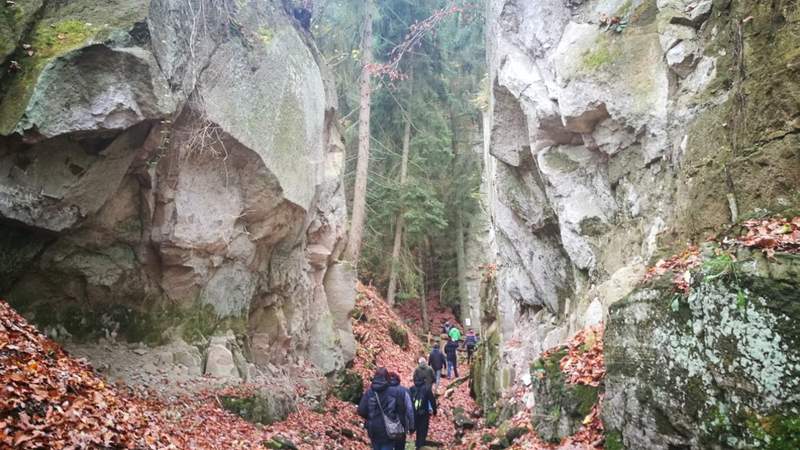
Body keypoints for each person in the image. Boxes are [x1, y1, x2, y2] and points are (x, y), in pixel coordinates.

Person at [358, 368, 407, 450]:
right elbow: (401, 411)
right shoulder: (394, 392)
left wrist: (370, 417)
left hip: (373, 428)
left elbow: (361, 410)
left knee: (375, 446)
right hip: (389, 428)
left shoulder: (369, 392)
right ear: (387, 378)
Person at [387, 372, 414, 450]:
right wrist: (411, 426)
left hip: (386, 423)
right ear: (398, 380)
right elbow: (410, 409)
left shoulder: (383, 390)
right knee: (400, 447)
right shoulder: (404, 391)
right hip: (401, 424)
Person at [409, 375, 437, 449]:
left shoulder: (411, 388)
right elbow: (432, 400)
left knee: (417, 428)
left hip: (414, 414)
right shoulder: (427, 389)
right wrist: (434, 411)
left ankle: (417, 444)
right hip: (424, 414)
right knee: (422, 431)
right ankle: (420, 445)